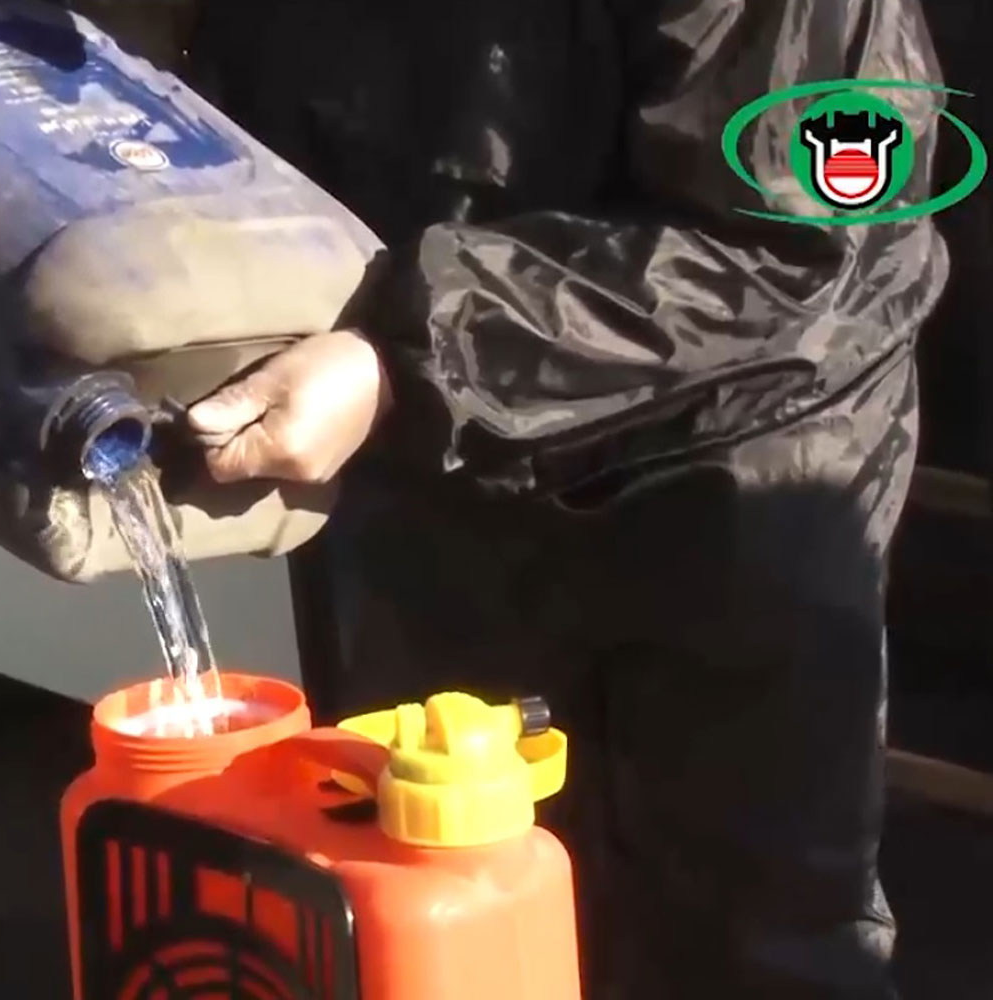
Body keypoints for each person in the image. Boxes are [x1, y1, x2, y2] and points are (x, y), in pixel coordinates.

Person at [179, 1, 947, 997]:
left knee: (748, 934)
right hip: (440, 461)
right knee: (445, 896)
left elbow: (788, 246)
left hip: (741, 453)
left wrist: (406, 359)